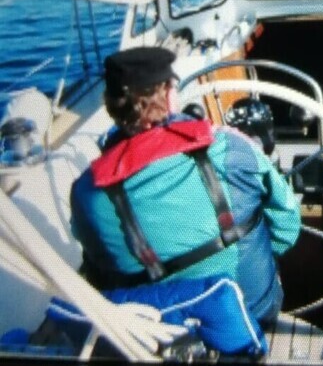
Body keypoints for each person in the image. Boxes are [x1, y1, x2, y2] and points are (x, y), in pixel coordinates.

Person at [70, 47, 300, 324]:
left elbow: (101, 263)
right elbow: (288, 225)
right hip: (255, 308)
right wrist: (255, 252)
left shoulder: (87, 193)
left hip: (162, 324)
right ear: (169, 97)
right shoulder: (231, 148)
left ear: (110, 105)